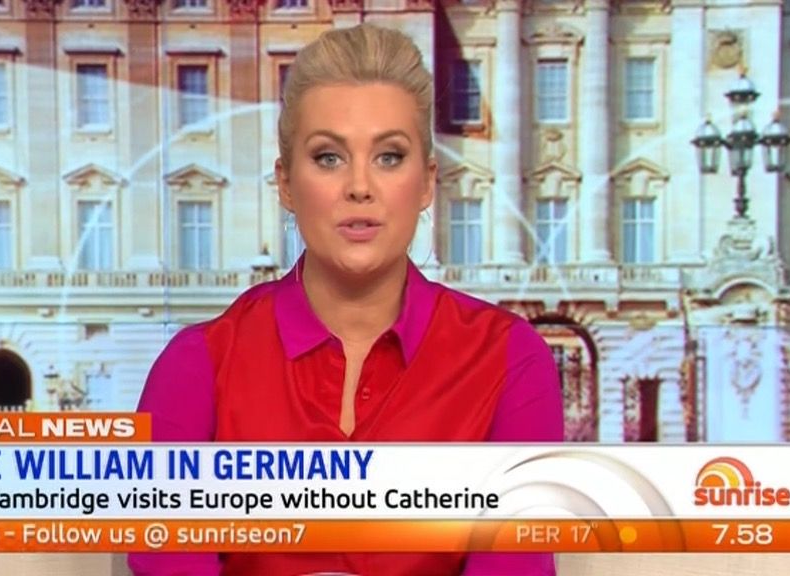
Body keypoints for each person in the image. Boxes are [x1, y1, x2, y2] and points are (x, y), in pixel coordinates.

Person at [130, 23, 563, 576]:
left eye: (389, 157)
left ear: (427, 183)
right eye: (329, 158)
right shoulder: (196, 365)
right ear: (287, 184)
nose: (360, 186)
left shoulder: (510, 360)